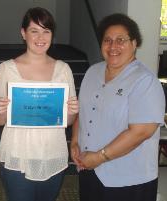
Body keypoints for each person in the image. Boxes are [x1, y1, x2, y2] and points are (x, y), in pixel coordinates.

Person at [70, 13, 166, 201]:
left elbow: (141, 132)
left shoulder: (145, 81)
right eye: (107, 40)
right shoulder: (93, 71)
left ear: (134, 43)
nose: (113, 46)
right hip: (89, 169)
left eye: (121, 40)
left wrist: (99, 157)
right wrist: (75, 142)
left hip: (128, 179)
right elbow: (83, 112)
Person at [0, 7, 78, 201]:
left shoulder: (64, 69)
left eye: (46, 31)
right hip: (18, 153)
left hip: (53, 151)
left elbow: (68, 121)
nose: (40, 37)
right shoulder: (6, 69)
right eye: (34, 30)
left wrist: (71, 112)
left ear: (52, 35)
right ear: (23, 33)